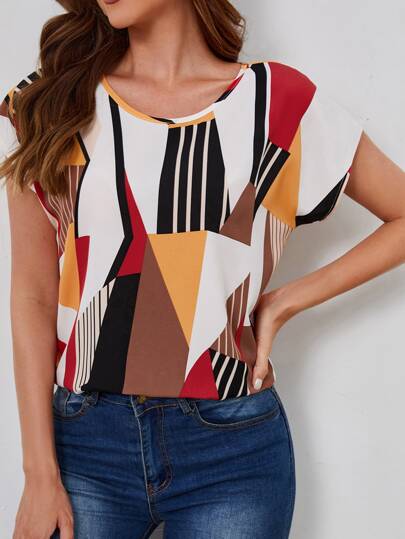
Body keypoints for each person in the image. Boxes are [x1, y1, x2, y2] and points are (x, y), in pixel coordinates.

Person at [1, 0, 405, 538]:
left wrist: (285, 302)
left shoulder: (277, 102)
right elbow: (32, 294)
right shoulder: (52, 101)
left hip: (231, 449)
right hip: (85, 446)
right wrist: (39, 473)